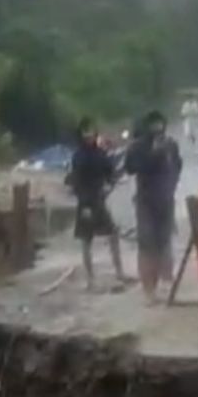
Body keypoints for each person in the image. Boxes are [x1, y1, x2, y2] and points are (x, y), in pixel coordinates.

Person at [125, 110, 183, 304]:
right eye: (153, 125)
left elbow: (177, 166)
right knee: (147, 245)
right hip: (146, 201)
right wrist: (153, 154)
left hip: (166, 200)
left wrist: (172, 187)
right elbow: (131, 168)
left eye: (160, 124)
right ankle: (149, 291)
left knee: (165, 242)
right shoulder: (138, 146)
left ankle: (166, 283)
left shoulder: (171, 144)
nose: (157, 128)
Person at [67, 118, 127, 292]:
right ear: (81, 135)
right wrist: (84, 206)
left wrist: (114, 178)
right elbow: (77, 183)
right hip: (86, 202)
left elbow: (110, 172)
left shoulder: (100, 153)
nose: (89, 134)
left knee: (113, 234)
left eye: (92, 131)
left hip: (99, 201)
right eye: (86, 131)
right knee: (86, 241)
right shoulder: (78, 157)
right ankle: (90, 279)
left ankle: (119, 272)